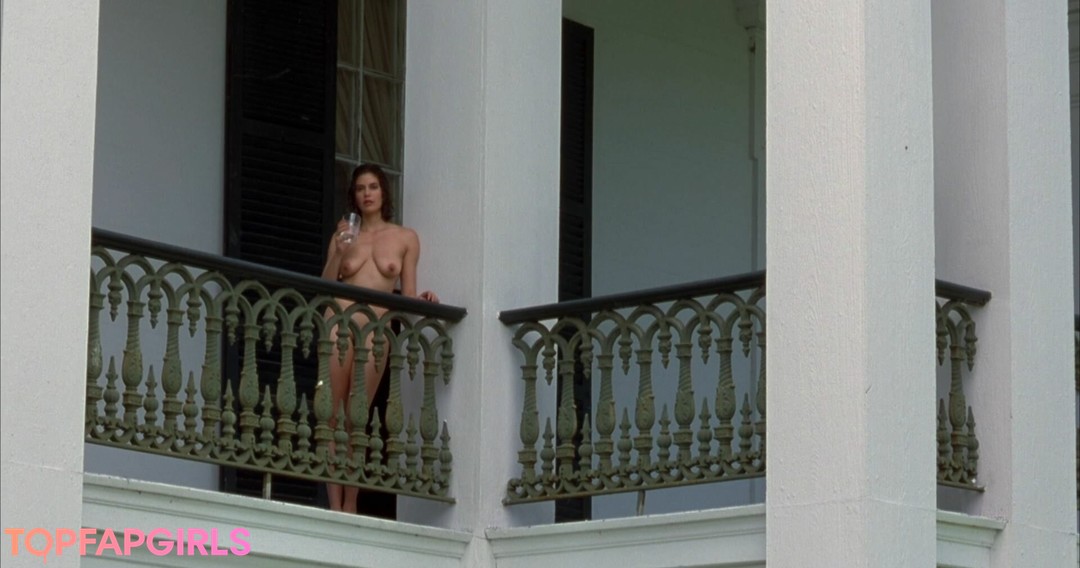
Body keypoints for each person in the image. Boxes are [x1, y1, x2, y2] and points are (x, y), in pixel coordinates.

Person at [320, 163, 439, 513]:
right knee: (331, 415)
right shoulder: (344, 234)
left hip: (376, 328)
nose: (367, 194)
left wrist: (424, 299)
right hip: (338, 321)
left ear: (383, 192)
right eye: (360, 188)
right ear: (353, 196)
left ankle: (351, 503)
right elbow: (326, 284)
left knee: (357, 414)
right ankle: (334, 504)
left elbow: (407, 294)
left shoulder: (405, 238)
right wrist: (339, 251)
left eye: (372, 187)